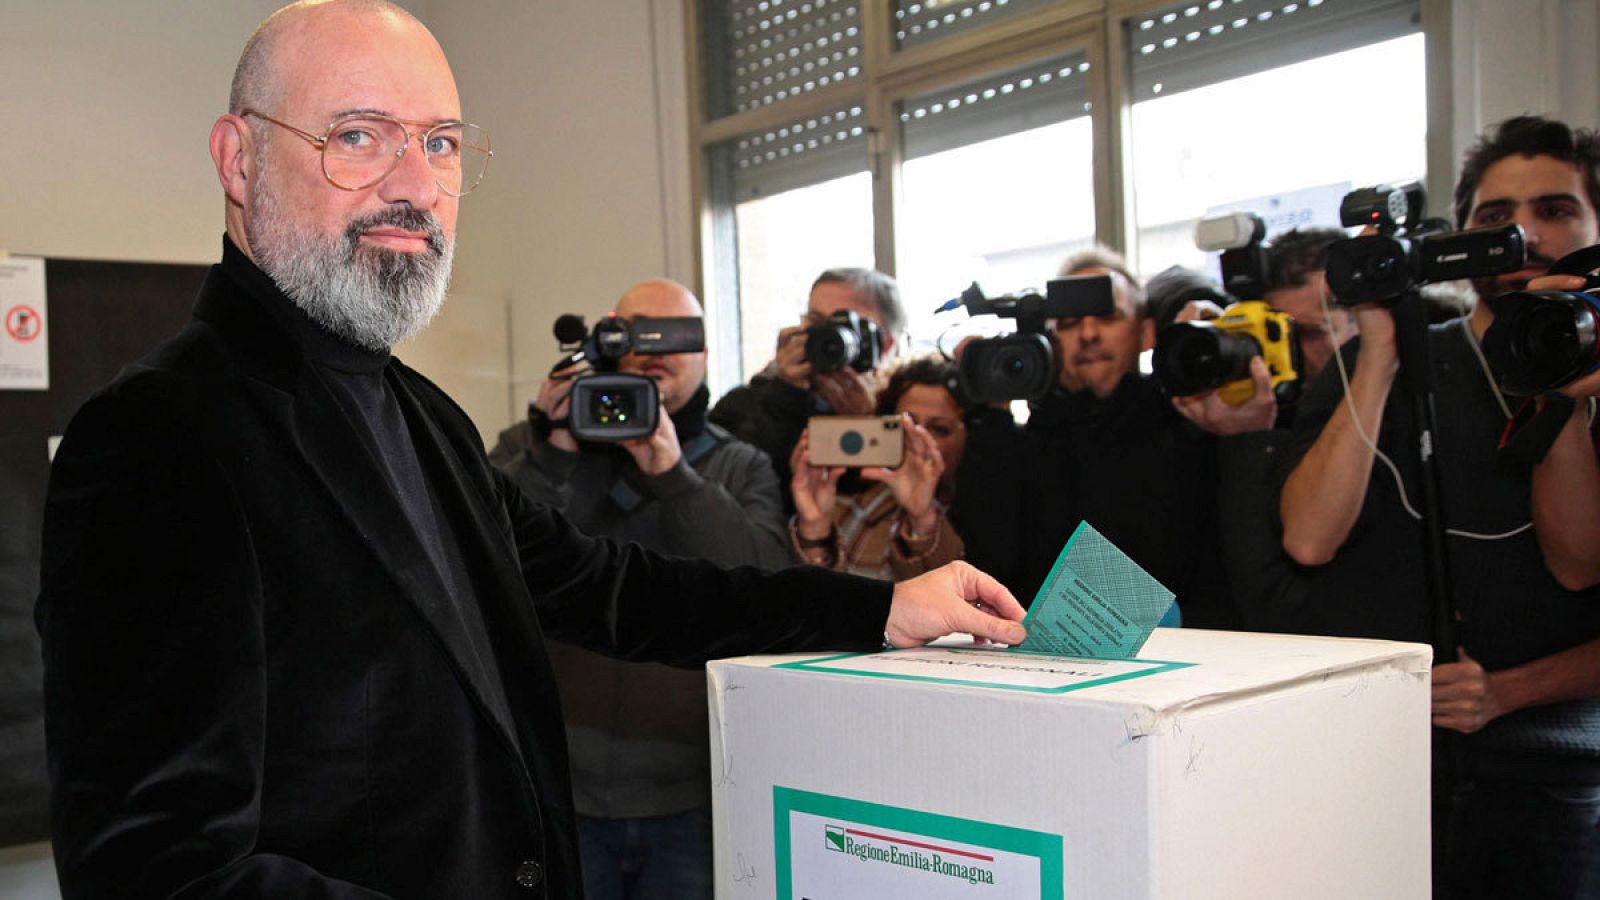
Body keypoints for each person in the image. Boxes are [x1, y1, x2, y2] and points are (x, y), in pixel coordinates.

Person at [32, 3, 1028, 898]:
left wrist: (884, 607)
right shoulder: (159, 438)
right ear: (238, 160)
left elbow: (616, 591)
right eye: (357, 137)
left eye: (442, 142)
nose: (413, 186)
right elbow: (157, 868)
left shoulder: (424, 418)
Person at [1278, 115, 1600, 899]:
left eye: (1553, 211)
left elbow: (1580, 565)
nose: (1523, 233)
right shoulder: (1398, 357)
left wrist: (1508, 693)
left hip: (1554, 775)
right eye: (1495, 219)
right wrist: (1384, 347)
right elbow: (1309, 539)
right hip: (1392, 770)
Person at [488, 279, 791, 900]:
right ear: (606, 343)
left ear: (706, 354)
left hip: (694, 791)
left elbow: (762, 584)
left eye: (678, 337)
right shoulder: (535, 448)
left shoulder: (740, 465)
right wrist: (554, 453)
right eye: (639, 333)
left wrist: (673, 476)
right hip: (557, 784)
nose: (658, 352)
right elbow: (479, 552)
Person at [1022, 247, 1232, 626]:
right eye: (1069, 323)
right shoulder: (1029, 444)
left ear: (1147, 331)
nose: (1088, 334)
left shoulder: (1194, 421)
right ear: (1050, 341)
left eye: (1107, 316)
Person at [709, 268, 905, 509]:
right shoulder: (748, 404)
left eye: (847, 327)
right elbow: (728, 488)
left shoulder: (907, 412)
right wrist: (785, 396)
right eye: (818, 323)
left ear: (885, 345)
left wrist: (868, 424)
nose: (832, 339)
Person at [789, 356, 966, 580]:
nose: (918, 441)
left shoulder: (993, 511)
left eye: (939, 429)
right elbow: (821, 603)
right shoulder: (850, 503)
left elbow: (958, 598)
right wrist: (815, 532)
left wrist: (923, 519)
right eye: (904, 425)